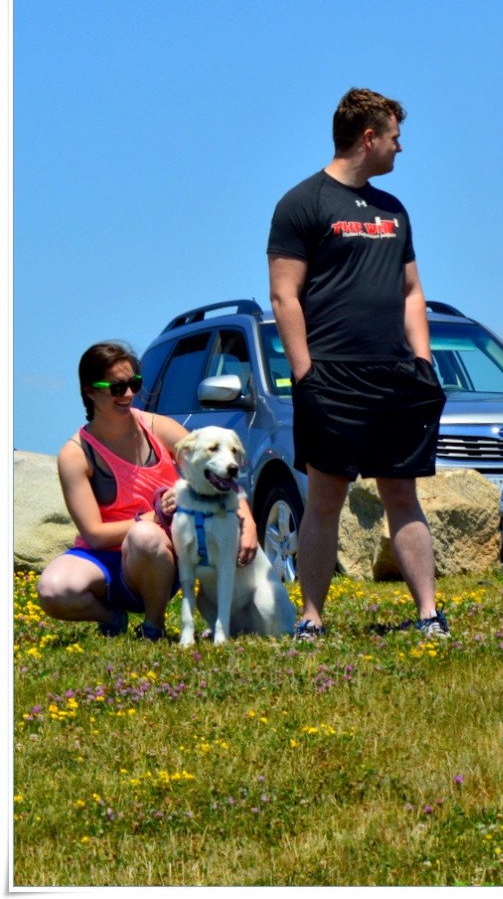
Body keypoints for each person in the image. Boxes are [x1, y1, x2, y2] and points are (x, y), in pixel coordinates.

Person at [267, 87, 449, 642]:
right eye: (395, 136)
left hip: (394, 375)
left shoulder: (394, 211)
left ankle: (428, 615)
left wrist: (422, 362)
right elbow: (284, 296)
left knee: (402, 493)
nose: (401, 147)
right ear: (368, 137)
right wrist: (306, 375)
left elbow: (412, 291)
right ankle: (312, 619)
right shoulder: (302, 203)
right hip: (332, 376)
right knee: (325, 497)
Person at [36, 342, 259, 640]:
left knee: (144, 538)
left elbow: (219, 469)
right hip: (105, 559)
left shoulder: (158, 428)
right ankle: (113, 618)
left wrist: (248, 523)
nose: (128, 394)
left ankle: (153, 627)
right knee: (52, 590)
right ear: (90, 391)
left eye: (134, 384)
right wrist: (153, 517)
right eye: (116, 388)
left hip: (160, 556)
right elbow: (94, 535)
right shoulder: (76, 454)